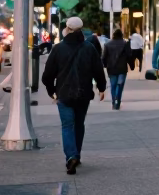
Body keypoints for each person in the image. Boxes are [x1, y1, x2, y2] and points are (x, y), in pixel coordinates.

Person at [42, 15, 106, 174]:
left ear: (68, 29)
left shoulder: (58, 49)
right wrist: (101, 87)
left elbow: (48, 75)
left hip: (63, 93)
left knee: (67, 125)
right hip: (83, 94)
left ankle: (71, 156)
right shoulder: (89, 48)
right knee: (79, 124)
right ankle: (76, 154)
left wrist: (52, 91)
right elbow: (98, 70)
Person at [102, 28, 132, 110]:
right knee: (120, 85)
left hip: (111, 68)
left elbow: (104, 57)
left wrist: (104, 65)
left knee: (113, 85)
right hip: (122, 68)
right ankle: (117, 101)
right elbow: (129, 56)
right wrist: (132, 66)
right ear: (121, 35)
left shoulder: (107, 44)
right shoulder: (125, 44)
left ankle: (113, 102)